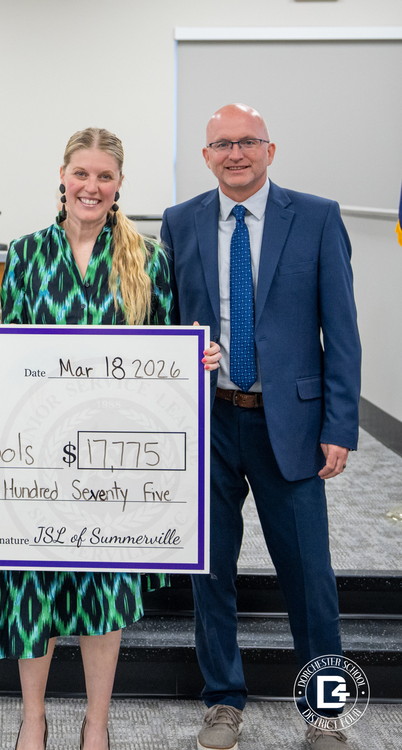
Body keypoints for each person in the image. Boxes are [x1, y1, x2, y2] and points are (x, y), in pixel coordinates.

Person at [0, 127, 220, 750]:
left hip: (116, 461)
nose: (91, 186)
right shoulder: (25, 255)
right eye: (81, 173)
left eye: (104, 176)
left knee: (104, 590)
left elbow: (166, 353)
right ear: (62, 176)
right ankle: (33, 719)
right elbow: (6, 353)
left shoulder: (149, 260)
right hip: (37, 455)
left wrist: (197, 358)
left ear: (119, 185)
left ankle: (96, 724)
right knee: (33, 586)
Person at [160, 104, 361, 750]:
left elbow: (343, 332)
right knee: (210, 572)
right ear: (206, 156)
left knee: (309, 576)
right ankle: (223, 702)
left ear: (271, 150)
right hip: (210, 421)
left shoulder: (319, 217)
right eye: (222, 144)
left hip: (293, 425)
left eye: (248, 141)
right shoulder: (180, 221)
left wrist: (341, 424)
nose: (236, 153)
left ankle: (325, 712)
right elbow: (168, 325)